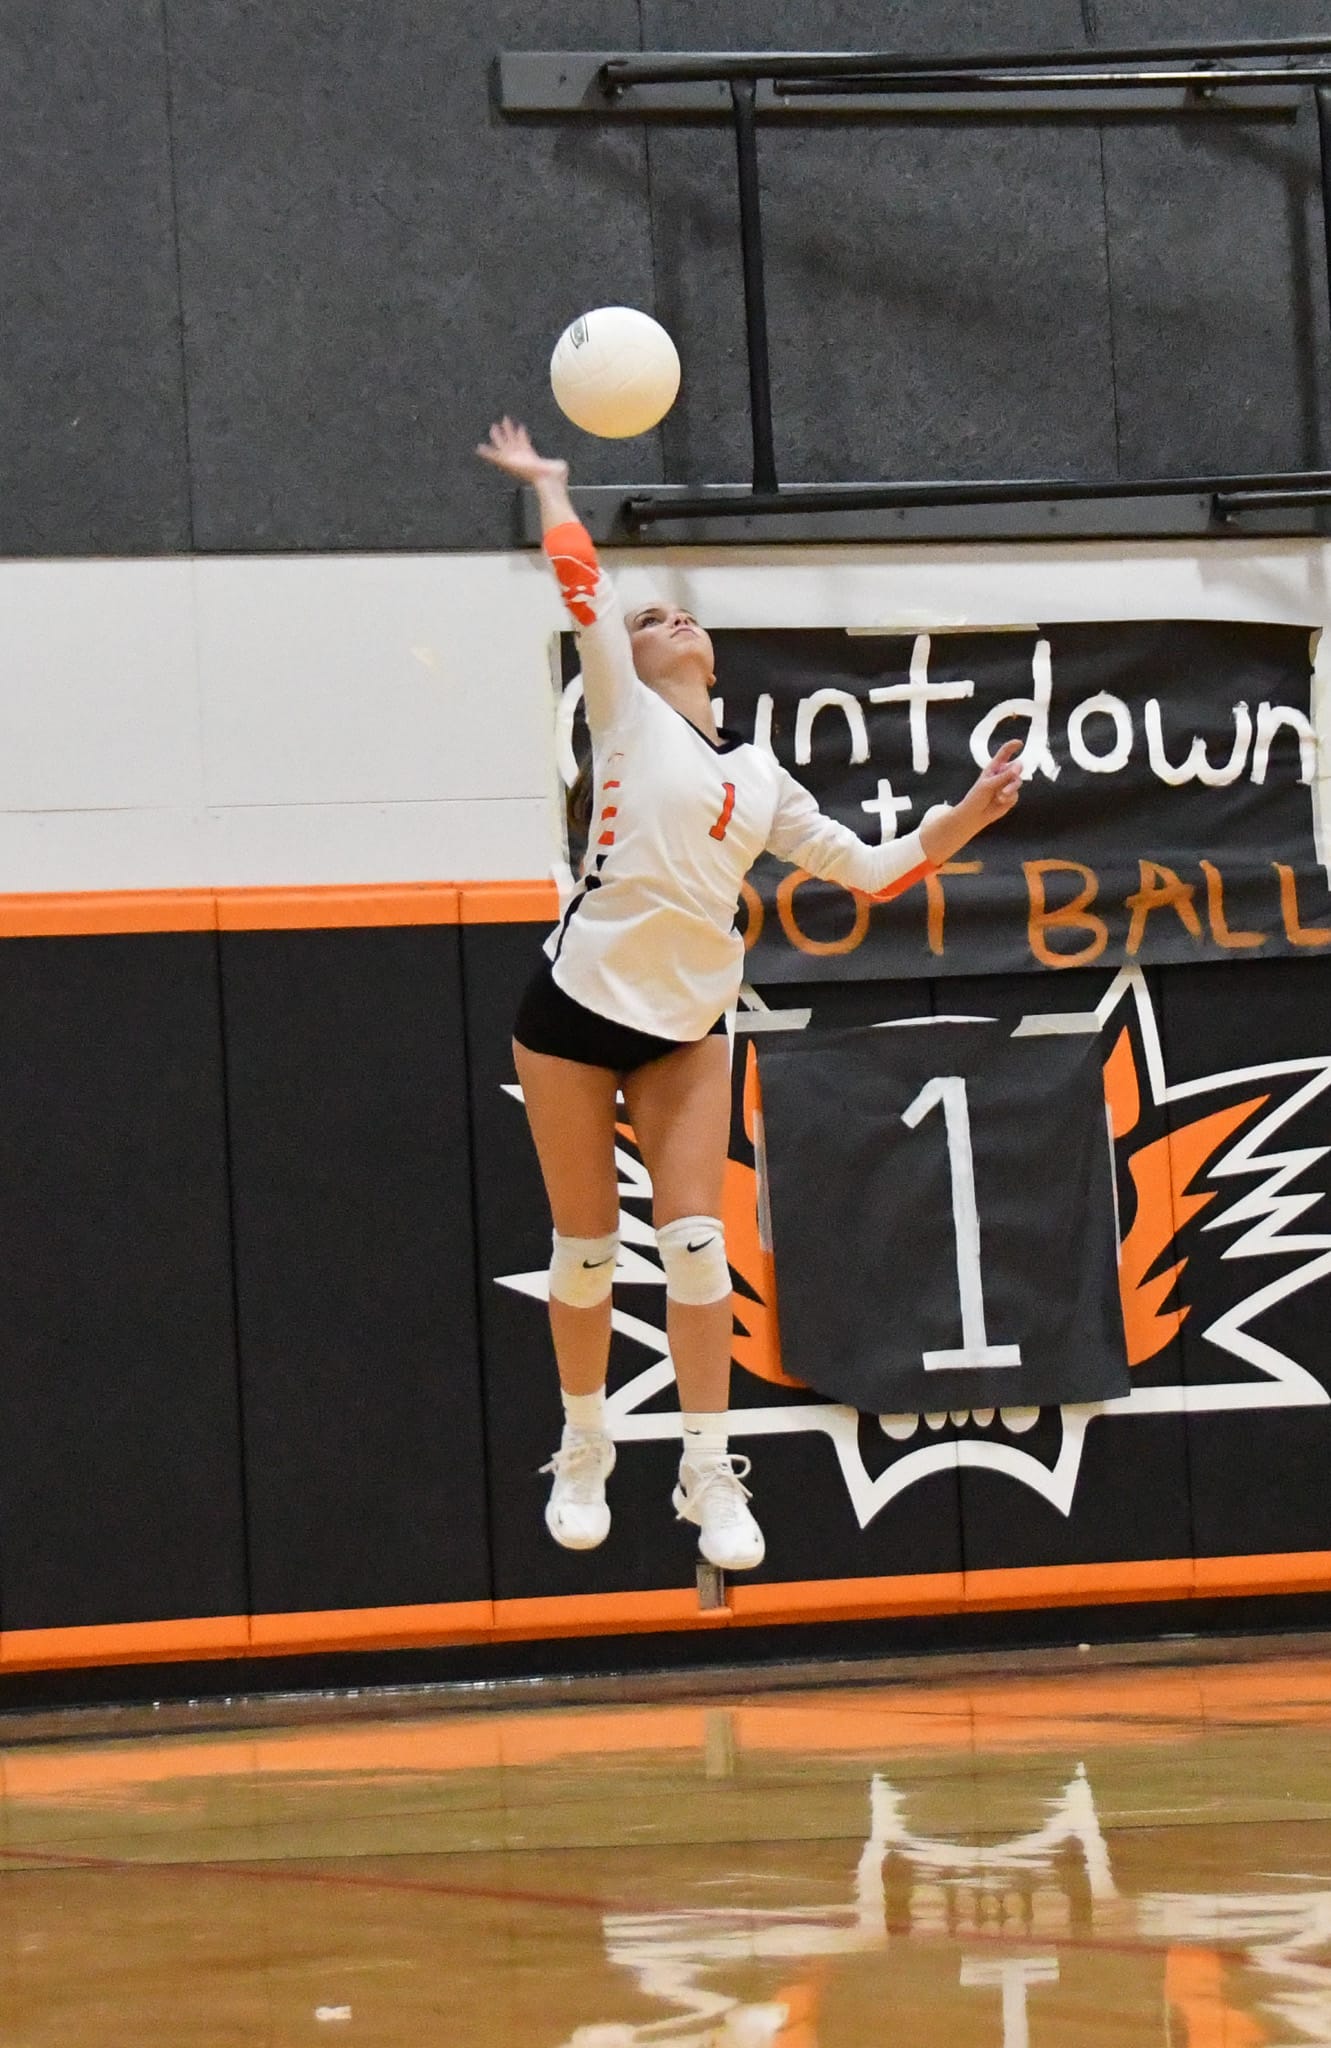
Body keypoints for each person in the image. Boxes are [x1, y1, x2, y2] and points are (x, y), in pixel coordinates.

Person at [477, 417, 1023, 1573]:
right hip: (574, 1011)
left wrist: (966, 815)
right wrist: (551, 489)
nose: (661, 619)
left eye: (678, 615)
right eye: (644, 619)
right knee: (585, 1252)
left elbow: (872, 869)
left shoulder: (759, 777)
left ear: (713, 654)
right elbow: (584, 586)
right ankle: (585, 1442)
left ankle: (704, 1465)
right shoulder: (622, 712)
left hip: (685, 1026)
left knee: (692, 1247)